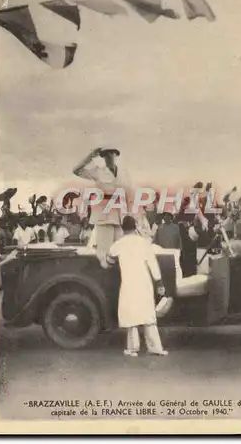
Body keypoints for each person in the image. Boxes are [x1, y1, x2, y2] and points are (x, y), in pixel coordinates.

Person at [106, 216, 168, 357]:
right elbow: (153, 264)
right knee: (148, 315)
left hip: (129, 283)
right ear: (135, 227)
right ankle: (156, 348)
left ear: (122, 228)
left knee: (131, 316)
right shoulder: (144, 243)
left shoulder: (119, 244)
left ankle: (133, 349)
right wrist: (159, 283)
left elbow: (109, 257)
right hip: (144, 282)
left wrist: (112, 261)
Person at [73, 146, 132, 266]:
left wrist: (128, 213)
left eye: (112, 154)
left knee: (119, 250)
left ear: (116, 156)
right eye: (106, 155)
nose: (110, 157)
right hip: (104, 215)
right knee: (104, 252)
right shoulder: (98, 171)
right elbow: (76, 170)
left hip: (119, 215)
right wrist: (90, 156)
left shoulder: (123, 173)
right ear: (103, 157)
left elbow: (128, 193)